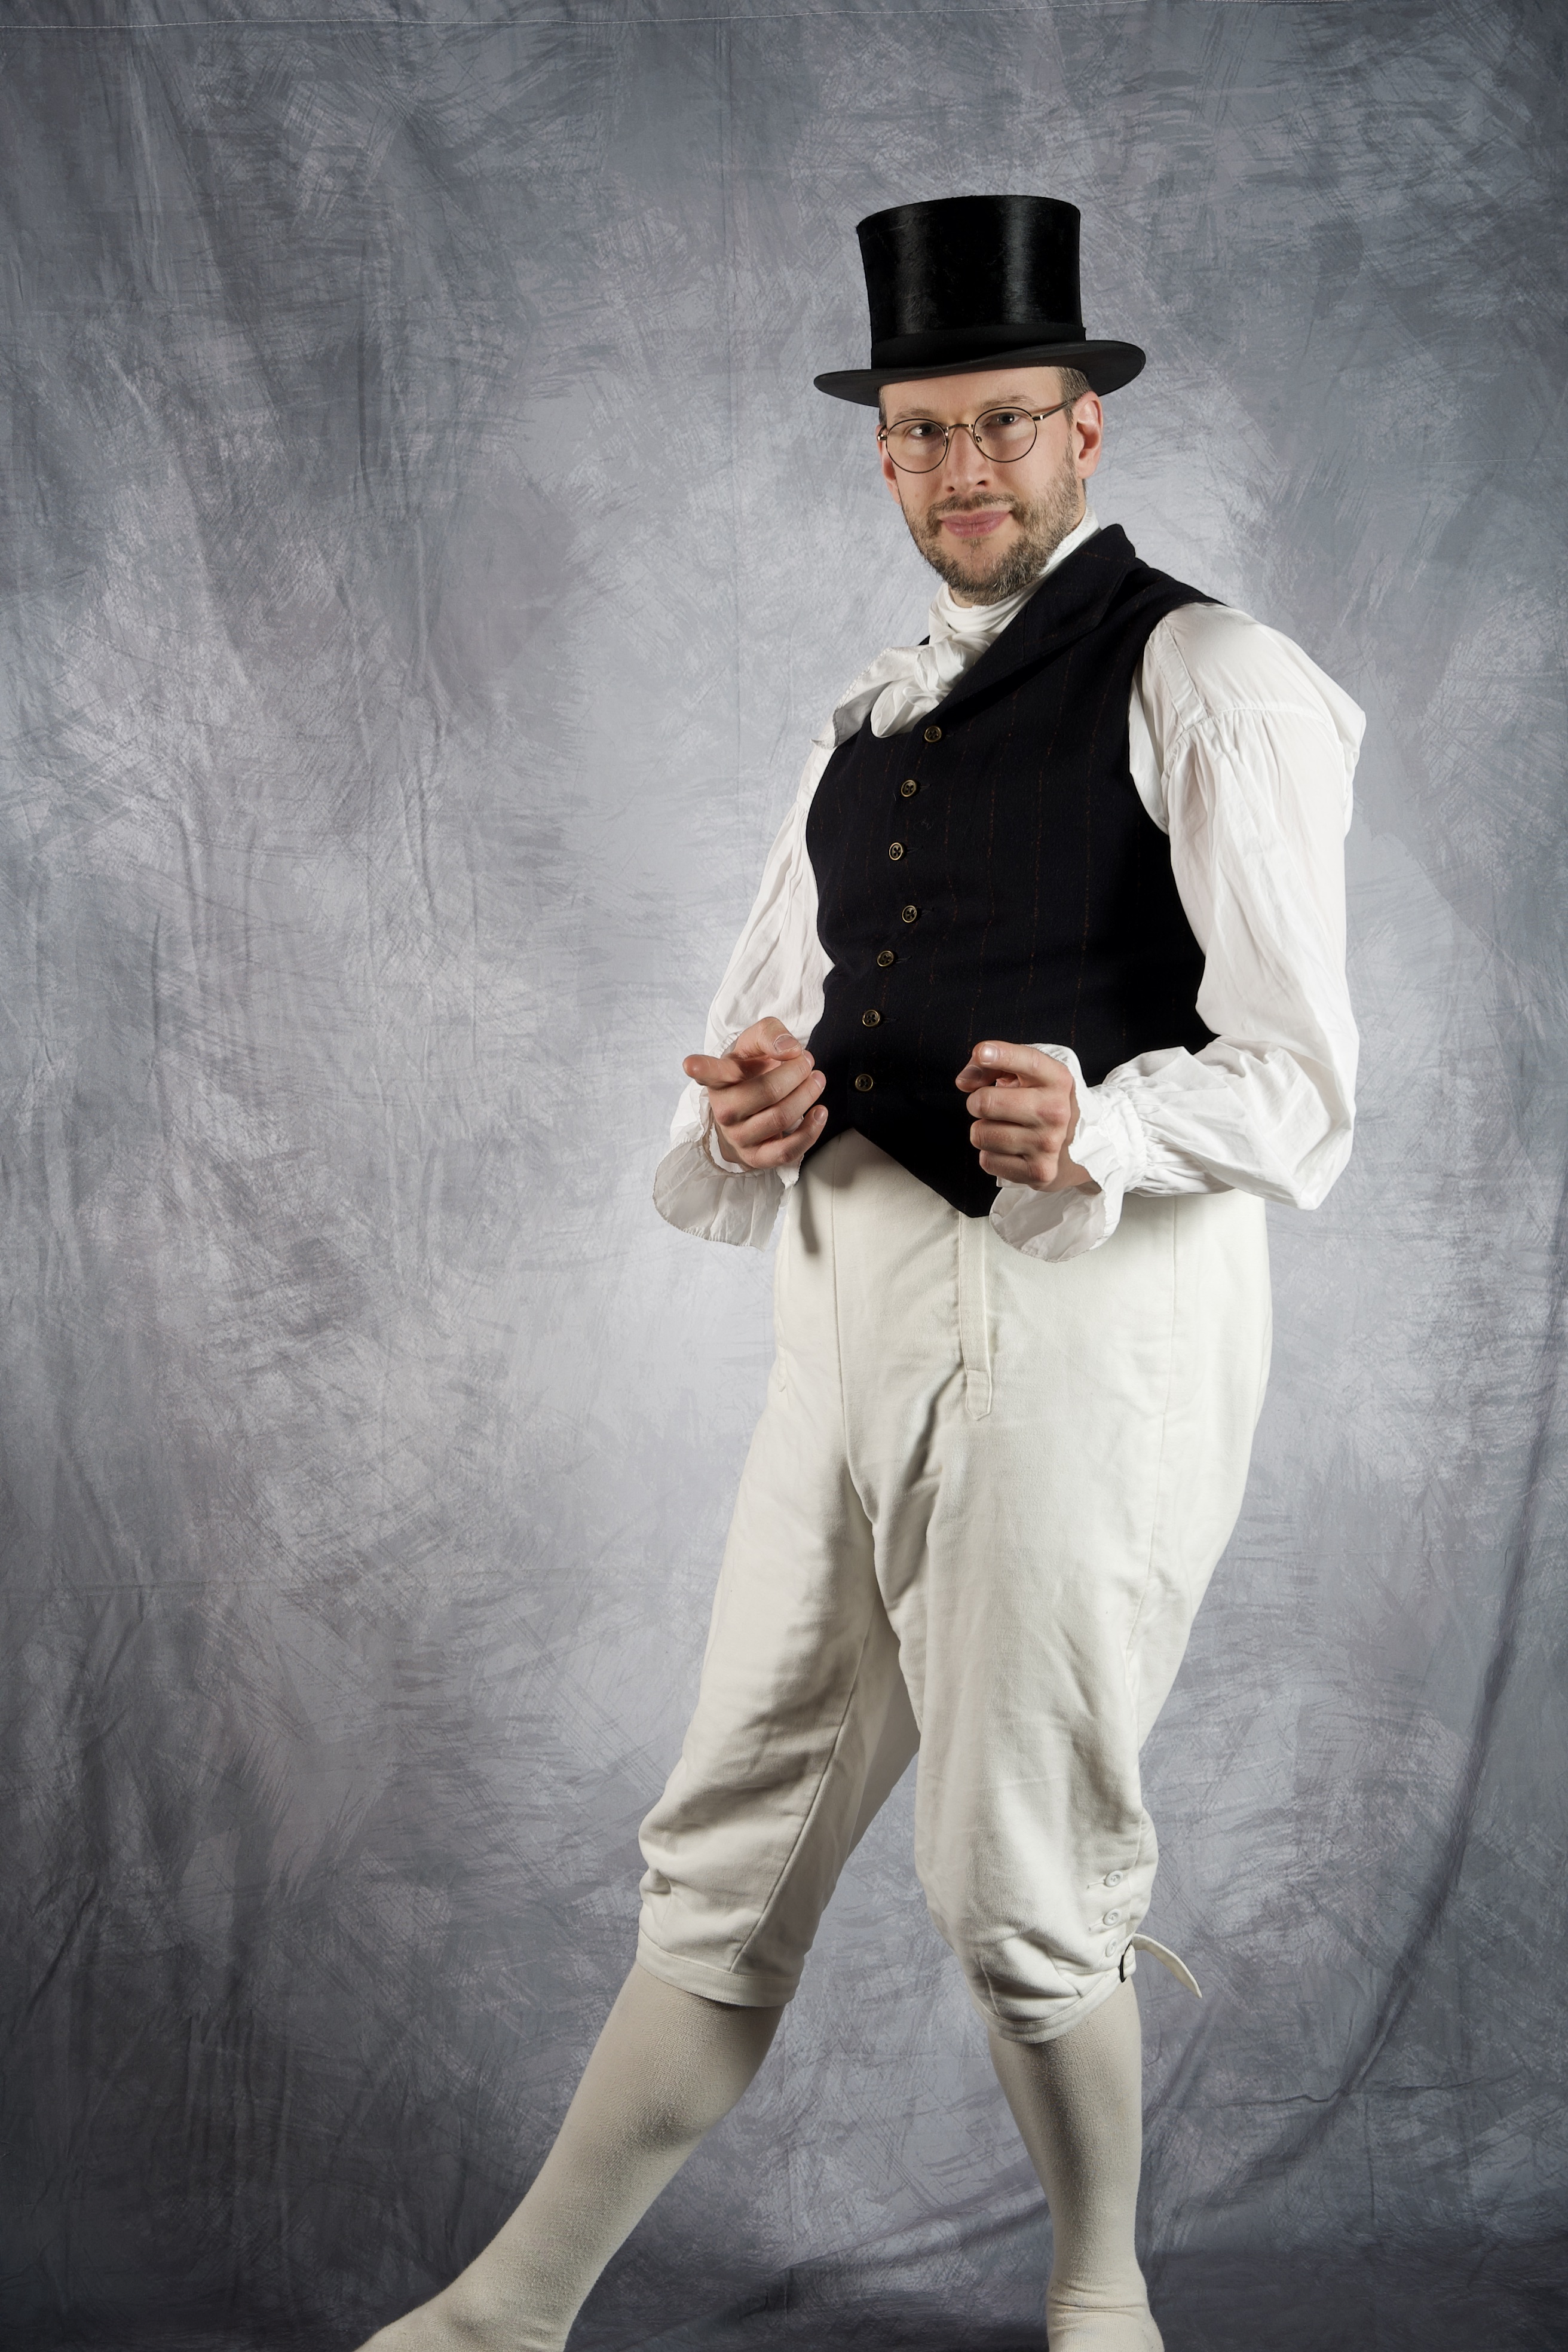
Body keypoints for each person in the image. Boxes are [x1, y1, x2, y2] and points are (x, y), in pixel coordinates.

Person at [358, 194, 1362, 2352]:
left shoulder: (1212, 678)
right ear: (882, 450)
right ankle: (510, 2310)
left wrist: (1104, 1123)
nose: (962, 468)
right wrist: (763, 1101)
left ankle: (1102, 2296)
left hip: (1080, 1325)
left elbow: (1302, 1083)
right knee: (730, 1827)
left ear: (1088, 430)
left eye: (1006, 422)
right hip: (846, 1305)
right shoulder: (870, 717)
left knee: (1015, 1870)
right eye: (921, 431)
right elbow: (792, 1013)